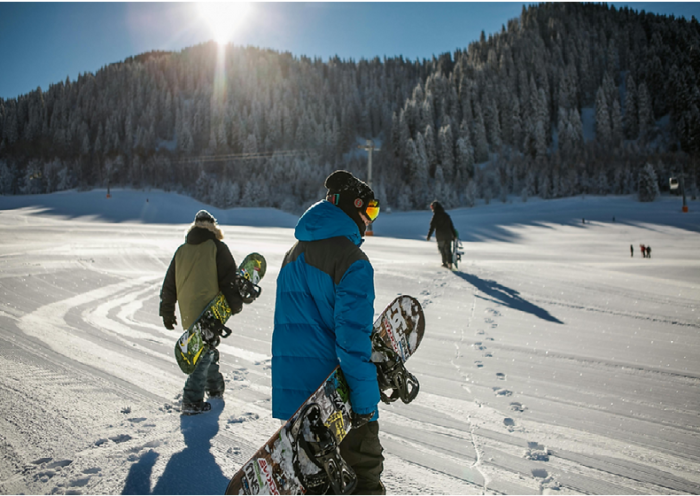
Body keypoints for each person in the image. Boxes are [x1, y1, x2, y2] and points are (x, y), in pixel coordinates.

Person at [272, 170, 384, 494]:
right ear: (354, 207)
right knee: (364, 477)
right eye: (371, 211)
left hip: (294, 402)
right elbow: (351, 341)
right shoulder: (353, 261)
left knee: (316, 486)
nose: (371, 220)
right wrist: (365, 405)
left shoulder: (292, 254)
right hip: (335, 401)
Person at [159, 210, 244, 415]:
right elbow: (229, 280)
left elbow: (169, 284)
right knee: (202, 355)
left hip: (188, 311)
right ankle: (191, 399)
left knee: (207, 349)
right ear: (214, 227)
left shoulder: (181, 250)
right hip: (210, 311)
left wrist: (167, 311)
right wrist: (235, 304)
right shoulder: (217, 247)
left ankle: (215, 389)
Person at [427, 200, 458, 269]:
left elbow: (432, 227)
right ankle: (450, 263)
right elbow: (451, 226)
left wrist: (429, 236)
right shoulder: (446, 215)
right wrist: (454, 235)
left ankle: (444, 263)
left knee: (442, 250)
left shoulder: (435, 216)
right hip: (448, 235)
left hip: (440, 236)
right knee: (448, 250)